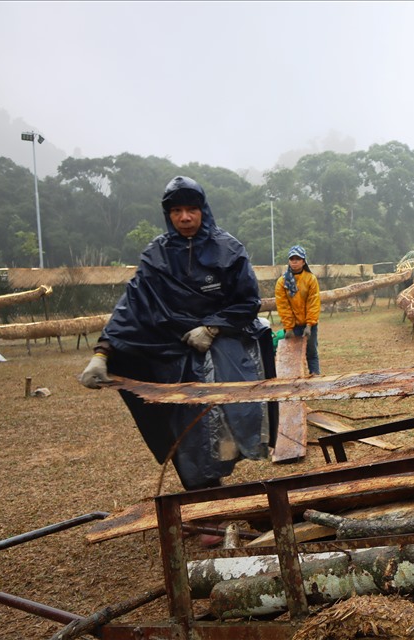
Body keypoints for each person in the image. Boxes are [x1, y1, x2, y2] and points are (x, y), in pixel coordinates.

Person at [79, 176, 276, 492]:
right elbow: (133, 304)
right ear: (168, 214)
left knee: (227, 418)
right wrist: (103, 352)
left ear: (203, 210)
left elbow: (247, 300)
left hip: (219, 345)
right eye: (177, 211)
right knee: (185, 425)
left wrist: (214, 326)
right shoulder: (156, 255)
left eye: (191, 210)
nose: (185, 218)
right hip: (172, 352)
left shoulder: (228, 249)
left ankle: (217, 478)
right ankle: (202, 491)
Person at [274, 245, 322, 375]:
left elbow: (313, 302)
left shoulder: (310, 279)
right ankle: (292, 383)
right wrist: (289, 328)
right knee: (291, 356)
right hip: (292, 326)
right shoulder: (282, 282)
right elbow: (283, 306)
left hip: (309, 324)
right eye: (292, 259)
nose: (294, 261)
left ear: (303, 261)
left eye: (298, 258)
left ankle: (315, 378)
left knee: (311, 353)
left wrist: (309, 324)